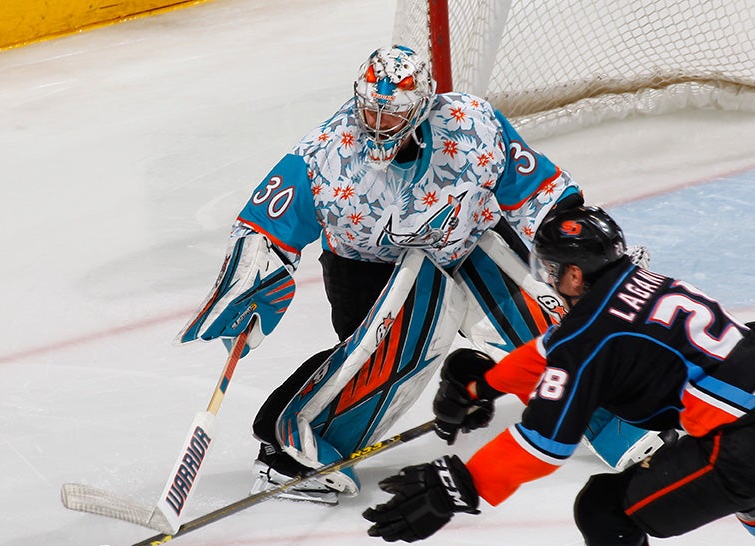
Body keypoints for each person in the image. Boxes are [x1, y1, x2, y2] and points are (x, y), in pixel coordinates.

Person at [176, 45, 660, 504]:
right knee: (380, 356)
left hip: (468, 238)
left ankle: (615, 413)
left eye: (392, 115)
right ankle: (291, 450)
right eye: (370, 111)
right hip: (367, 266)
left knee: (544, 315)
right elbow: (265, 223)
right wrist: (252, 281)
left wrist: (585, 252)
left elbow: (538, 191)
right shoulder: (326, 156)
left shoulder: (473, 124)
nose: (378, 124)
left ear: (422, 107)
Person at [362, 205, 755, 546]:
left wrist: (461, 483)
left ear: (574, 275)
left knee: (602, 508)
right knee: (718, 459)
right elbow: (556, 350)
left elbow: (543, 444)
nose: (547, 279)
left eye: (551, 269)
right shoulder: (647, 282)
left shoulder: (591, 333)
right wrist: (484, 386)